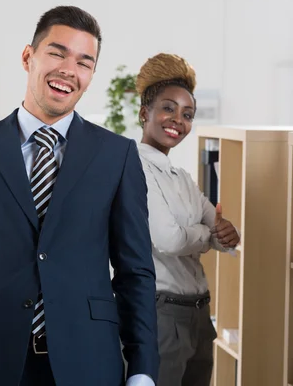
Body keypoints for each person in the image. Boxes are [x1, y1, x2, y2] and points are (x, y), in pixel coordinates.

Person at [0, 6, 159, 386]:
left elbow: (135, 272)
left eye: (84, 62)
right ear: (28, 57)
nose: (68, 70)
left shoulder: (117, 156)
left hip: (89, 358)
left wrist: (143, 369)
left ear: (91, 75)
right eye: (57, 53)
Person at [136, 53, 240, 386]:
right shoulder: (135, 168)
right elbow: (169, 240)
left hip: (198, 313)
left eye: (188, 114)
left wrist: (221, 235)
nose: (178, 120)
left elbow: (225, 235)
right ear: (144, 113)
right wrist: (207, 235)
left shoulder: (180, 176)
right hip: (163, 313)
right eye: (168, 108)